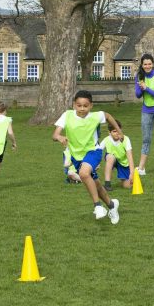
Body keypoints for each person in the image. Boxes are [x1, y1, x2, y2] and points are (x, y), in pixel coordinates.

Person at [52, 90, 122, 224]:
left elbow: (108, 116)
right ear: (74, 105)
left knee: (84, 174)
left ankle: (97, 206)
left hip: (93, 152)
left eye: (85, 106)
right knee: (95, 185)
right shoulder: (67, 115)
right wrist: (60, 137)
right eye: (79, 105)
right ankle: (112, 206)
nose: (82, 108)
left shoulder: (96, 116)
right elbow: (54, 135)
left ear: (91, 106)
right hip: (77, 157)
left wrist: (120, 132)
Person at [100, 120, 135, 191]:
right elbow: (97, 152)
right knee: (110, 157)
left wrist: (132, 173)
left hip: (123, 163)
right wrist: (96, 164)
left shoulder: (126, 139)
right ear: (109, 132)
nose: (117, 133)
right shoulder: (106, 140)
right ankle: (107, 184)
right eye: (114, 131)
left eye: (118, 131)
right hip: (112, 159)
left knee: (128, 186)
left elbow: (130, 156)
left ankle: (123, 181)